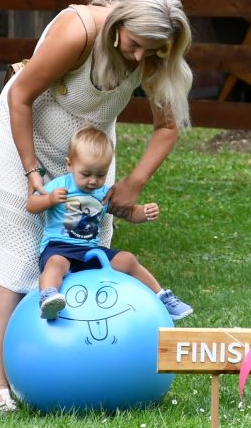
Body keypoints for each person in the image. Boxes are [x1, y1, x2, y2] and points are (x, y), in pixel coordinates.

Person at [0, 0, 193, 413]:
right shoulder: (77, 32)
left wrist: (134, 182)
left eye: (150, 52)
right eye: (133, 46)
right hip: (26, 137)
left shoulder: (151, 52)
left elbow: (167, 127)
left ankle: (87, 368)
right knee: (17, 260)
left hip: (89, 153)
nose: (137, 60)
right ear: (118, 26)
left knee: (88, 250)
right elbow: (21, 96)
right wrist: (31, 172)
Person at [29, 125, 192, 321]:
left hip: (90, 251)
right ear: (69, 164)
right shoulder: (60, 186)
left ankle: (162, 298)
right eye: (86, 173)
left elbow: (128, 213)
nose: (93, 181)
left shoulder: (103, 194)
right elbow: (31, 204)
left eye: (100, 175)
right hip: (58, 247)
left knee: (128, 259)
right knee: (56, 264)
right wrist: (49, 200)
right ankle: (48, 297)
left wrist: (143, 212)